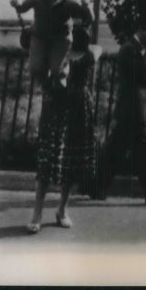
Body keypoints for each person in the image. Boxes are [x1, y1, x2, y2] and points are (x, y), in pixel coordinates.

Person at [26, 24, 102, 234]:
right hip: (58, 108)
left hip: (75, 110)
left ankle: (58, 211)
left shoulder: (85, 54)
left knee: (69, 160)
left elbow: (96, 49)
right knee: (49, 159)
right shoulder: (65, 55)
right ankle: (40, 212)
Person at [95, 25, 146, 205]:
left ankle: (95, 186)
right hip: (132, 108)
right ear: (143, 32)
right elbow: (140, 76)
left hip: (134, 108)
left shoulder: (139, 50)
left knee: (116, 150)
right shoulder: (130, 50)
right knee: (143, 150)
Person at [12, 0, 92, 89]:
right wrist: (17, 3)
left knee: (57, 69)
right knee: (36, 68)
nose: (41, 1)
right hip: (39, 36)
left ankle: (61, 87)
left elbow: (87, 20)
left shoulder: (70, 4)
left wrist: (86, 8)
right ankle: (46, 87)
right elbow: (22, 8)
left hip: (61, 38)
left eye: (45, 0)